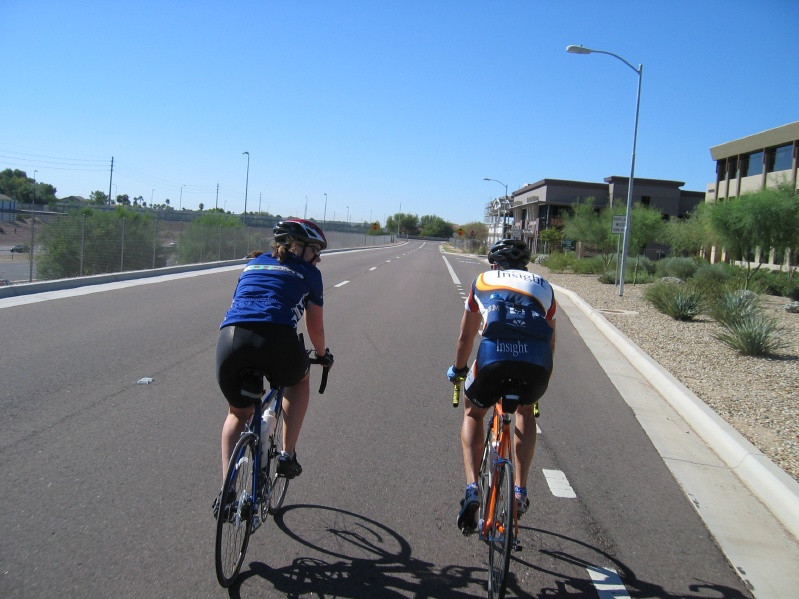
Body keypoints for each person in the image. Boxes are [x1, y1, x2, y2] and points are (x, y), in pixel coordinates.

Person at [214, 219, 333, 515]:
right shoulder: (309, 273)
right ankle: (286, 456)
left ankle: (227, 493)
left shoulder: (252, 265)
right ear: (298, 247)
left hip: (231, 340)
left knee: (237, 413)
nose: (318, 259)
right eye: (316, 251)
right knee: (299, 382)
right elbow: (315, 328)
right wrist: (322, 355)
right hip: (277, 339)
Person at [446, 238, 557, 534]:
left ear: (495, 265)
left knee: (473, 413)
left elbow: (465, 337)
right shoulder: (544, 287)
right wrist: (540, 381)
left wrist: (458, 370)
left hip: (494, 359)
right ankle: (520, 490)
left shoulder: (482, 280)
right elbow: (550, 341)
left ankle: (472, 487)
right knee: (525, 411)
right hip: (536, 363)